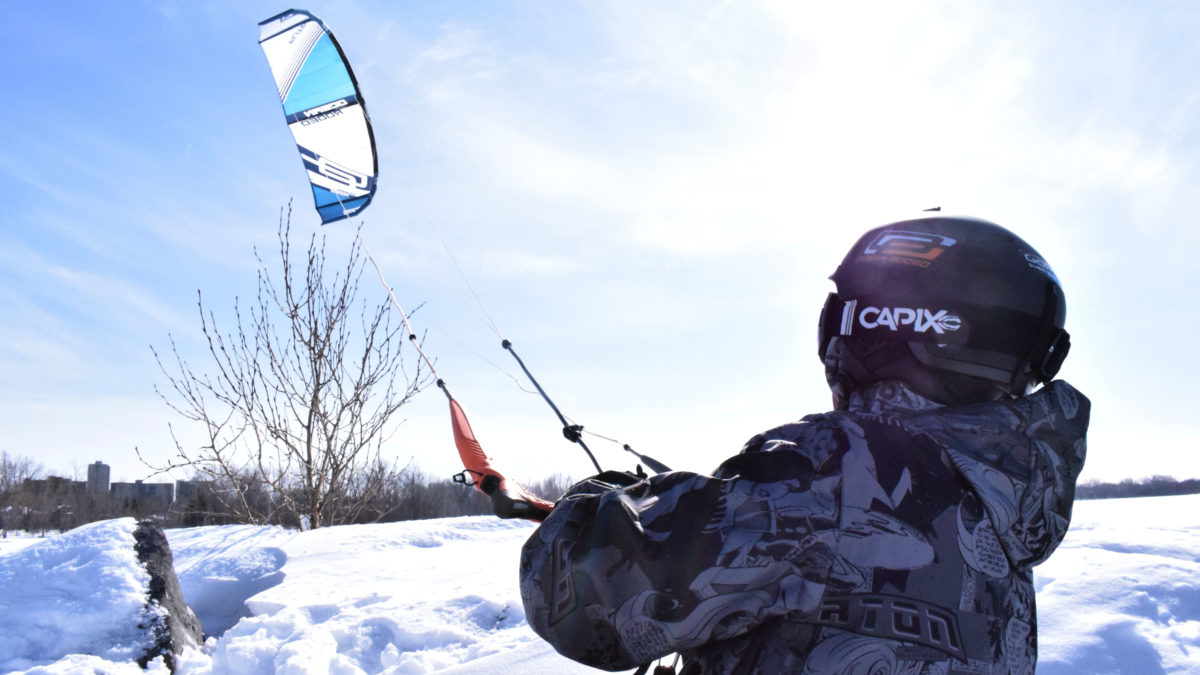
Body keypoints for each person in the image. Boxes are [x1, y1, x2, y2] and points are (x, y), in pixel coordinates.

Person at [519, 215, 1089, 674]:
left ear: (887, 321)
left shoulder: (836, 470)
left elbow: (577, 592)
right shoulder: (1010, 500)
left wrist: (604, 498)